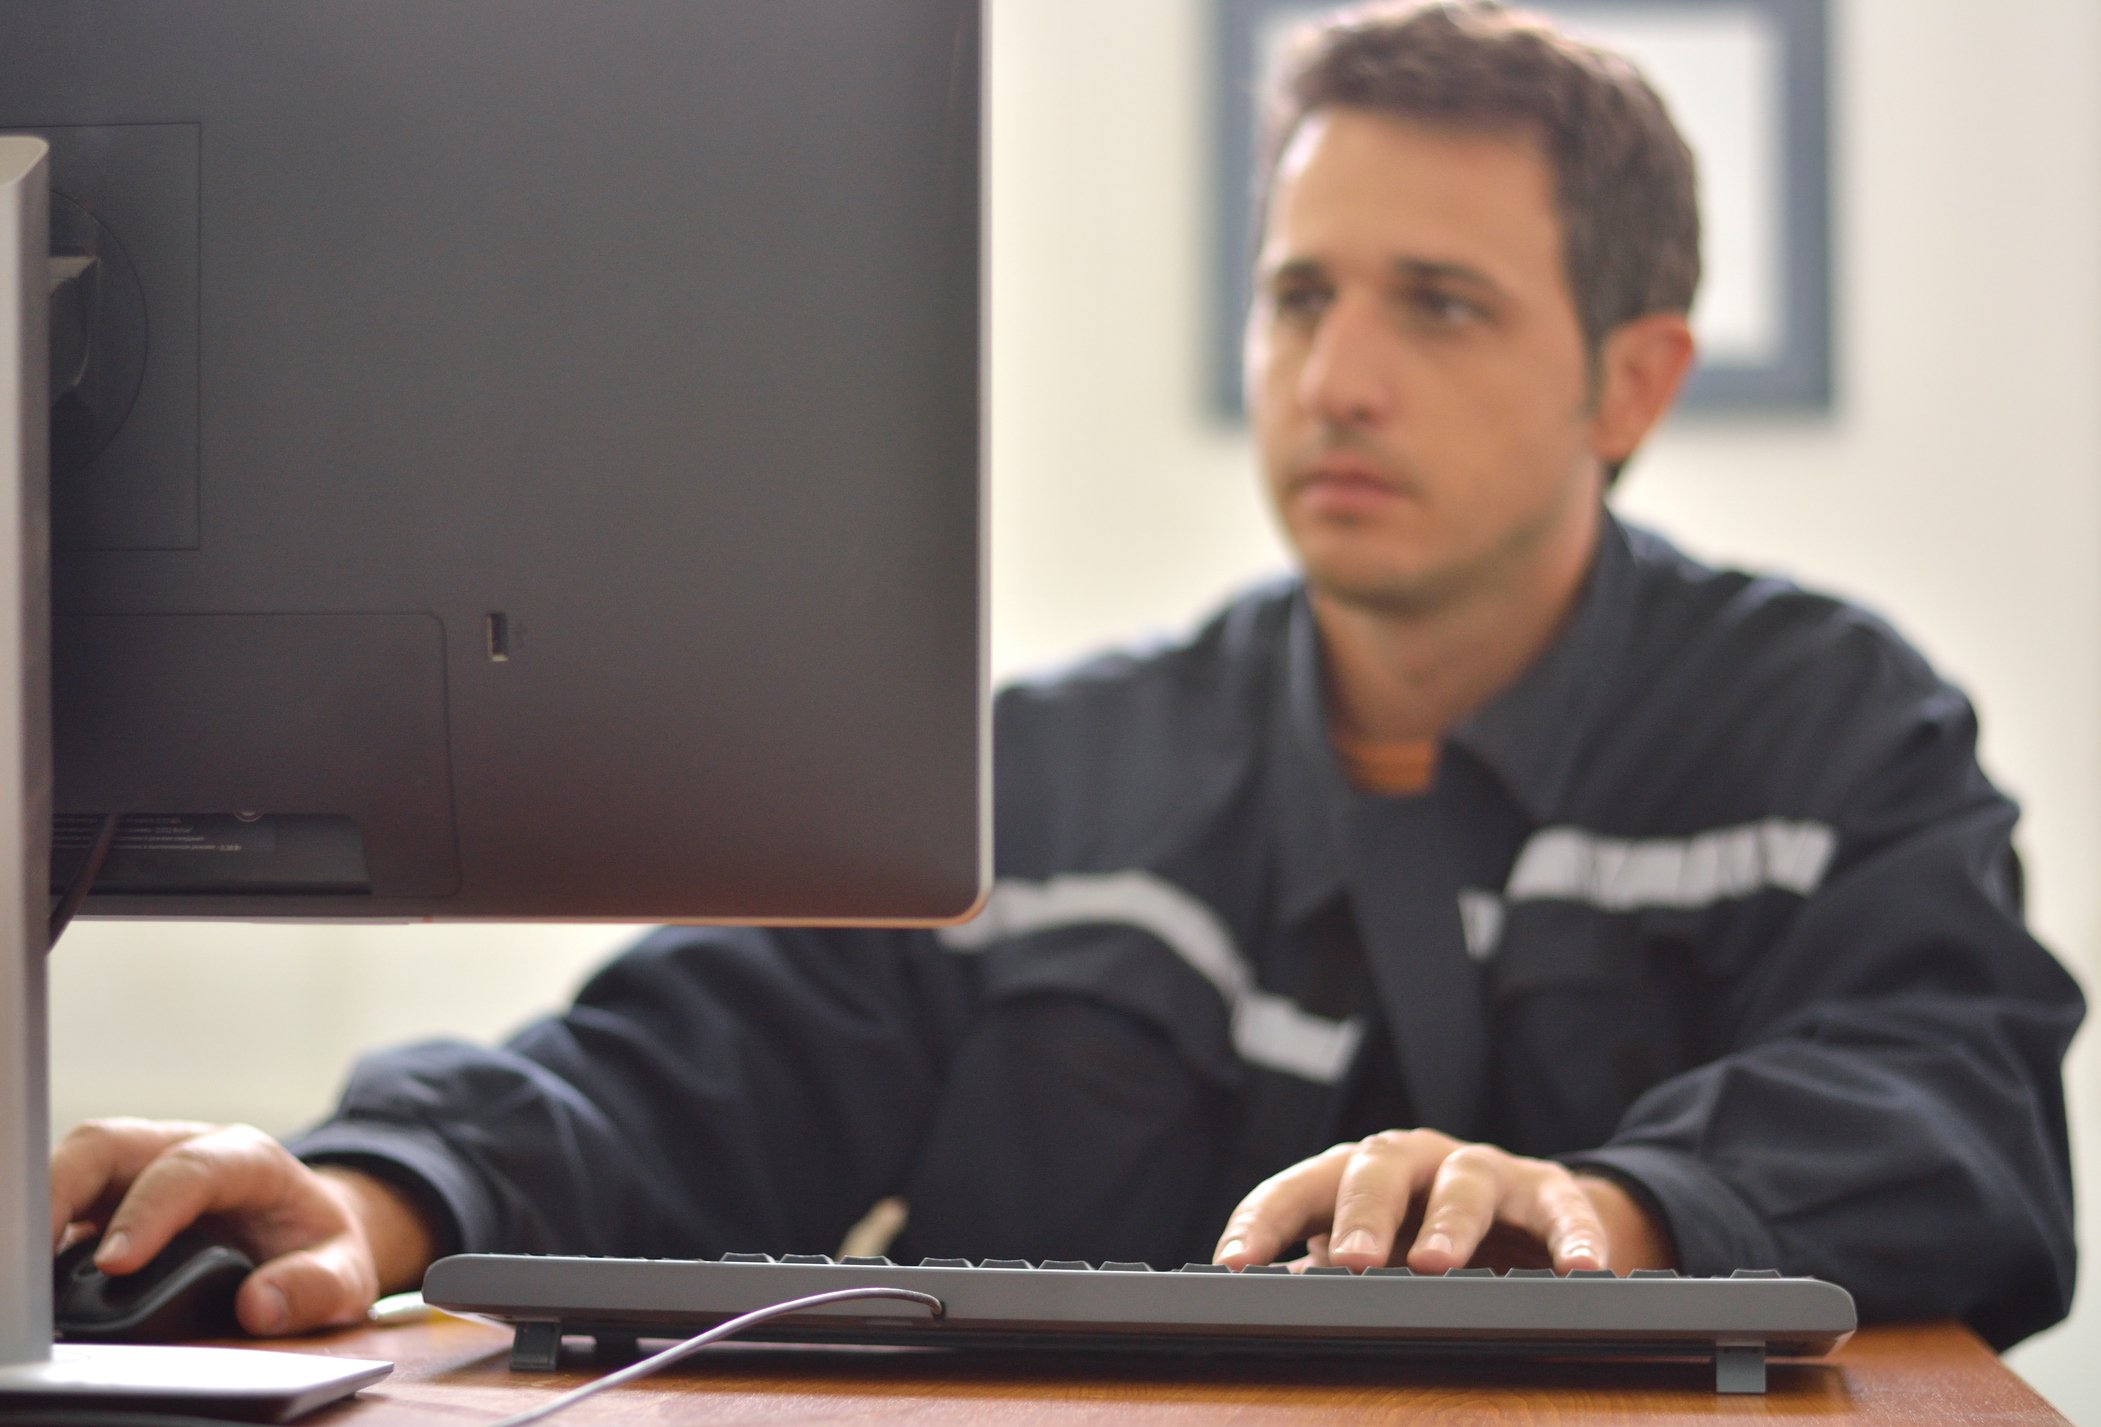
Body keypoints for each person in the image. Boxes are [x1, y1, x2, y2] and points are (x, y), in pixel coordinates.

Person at [53, 0, 2082, 1351]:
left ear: (1631, 382)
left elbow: (1950, 1106)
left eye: (1439, 306)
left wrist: (1610, 1217)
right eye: (1298, 296)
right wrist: (365, 1191)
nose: (1335, 377)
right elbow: (682, 1058)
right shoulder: (1042, 773)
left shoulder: (1835, 733)